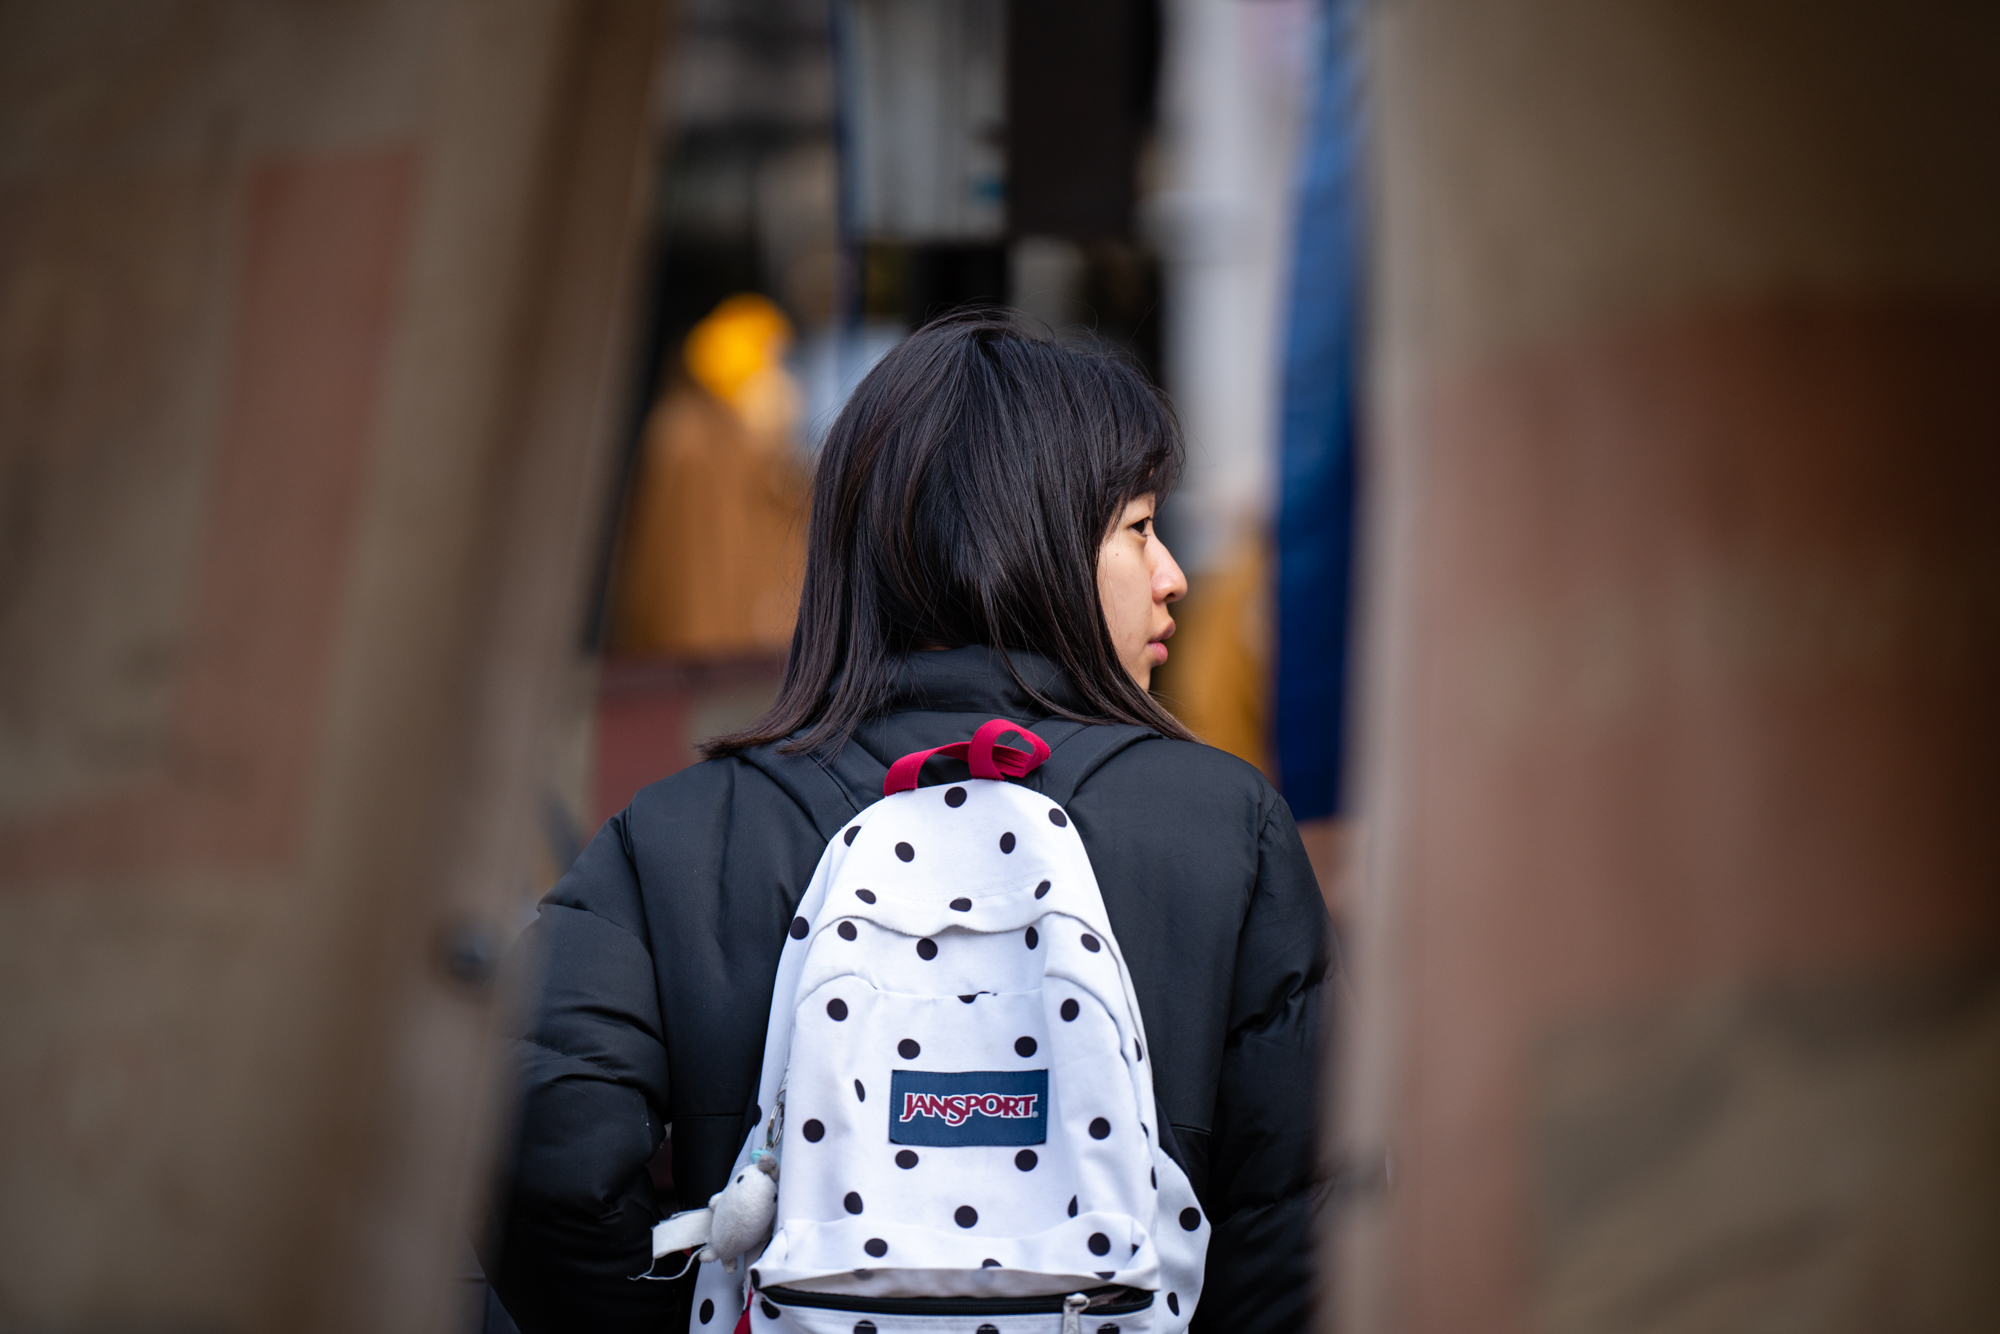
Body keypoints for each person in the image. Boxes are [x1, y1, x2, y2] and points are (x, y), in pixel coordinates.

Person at [484, 312, 1333, 1333]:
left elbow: (535, 1141)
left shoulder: (676, 834)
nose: (1172, 576)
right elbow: (1302, 1217)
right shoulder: (1222, 827)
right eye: (1139, 528)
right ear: (1033, 539)